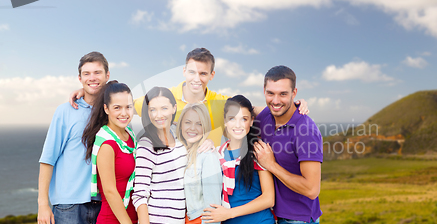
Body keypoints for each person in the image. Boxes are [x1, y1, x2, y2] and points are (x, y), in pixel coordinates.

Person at [69, 48, 309, 145]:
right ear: (184, 71)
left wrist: (293, 107)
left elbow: (254, 109)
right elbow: (120, 102)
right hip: (171, 186)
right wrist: (90, 92)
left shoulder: (221, 102)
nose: (197, 78)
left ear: (211, 75)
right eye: (192, 71)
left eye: (203, 73)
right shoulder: (162, 99)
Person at [37, 51, 109, 224]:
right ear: (80, 78)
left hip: (104, 209)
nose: (92, 77)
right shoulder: (65, 110)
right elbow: (48, 160)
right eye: (86, 74)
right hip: (68, 208)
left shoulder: (113, 111)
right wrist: (42, 205)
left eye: (97, 72)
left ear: (107, 75)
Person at [254, 66, 323, 224]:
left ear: (294, 93)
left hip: (298, 223)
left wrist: (271, 165)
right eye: (271, 93)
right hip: (268, 220)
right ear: (264, 91)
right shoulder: (265, 116)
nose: (276, 101)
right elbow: (239, 109)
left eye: (283, 94)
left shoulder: (306, 130)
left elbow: (312, 189)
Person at [202, 95, 280, 224]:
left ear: (251, 121)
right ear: (225, 121)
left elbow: (269, 199)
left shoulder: (259, 150)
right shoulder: (216, 154)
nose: (237, 125)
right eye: (232, 119)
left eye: (244, 119)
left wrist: (229, 213)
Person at [82, 81, 140, 224]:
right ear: (106, 108)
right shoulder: (107, 143)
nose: (124, 113)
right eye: (117, 107)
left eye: (128, 107)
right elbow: (109, 191)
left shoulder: (129, 135)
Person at [132, 87, 189, 224]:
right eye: (152, 110)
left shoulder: (180, 134)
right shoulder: (146, 145)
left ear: (174, 108)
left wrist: (207, 142)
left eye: (164, 108)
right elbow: (139, 195)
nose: (158, 115)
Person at [176, 103, 223, 224]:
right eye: (188, 122)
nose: (193, 128)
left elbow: (213, 203)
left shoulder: (207, 156)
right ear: (180, 124)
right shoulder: (183, 153)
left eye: (199, 124)